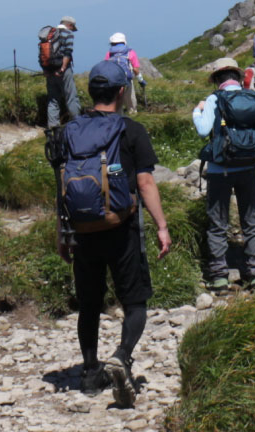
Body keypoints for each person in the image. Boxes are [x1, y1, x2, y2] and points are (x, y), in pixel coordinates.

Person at [58, 60, 171, 407]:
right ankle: (122, 356)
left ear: (91, 92)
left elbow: (61, 184)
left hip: (82, 229)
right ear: (122, 91)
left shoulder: (69, 130)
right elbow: (145, 182)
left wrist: (62, 233)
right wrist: (162, 226)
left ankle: (90, 375)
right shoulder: (131, 130)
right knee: (135, 301)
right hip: (121, 227)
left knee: (89, 303)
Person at [193, 58, 255, 290]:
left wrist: (197, 110)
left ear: (216, 80)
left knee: (218, 223)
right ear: (238, 78)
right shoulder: (253, 98)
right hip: (249, 167)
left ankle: (220, 277)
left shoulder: (214, 99)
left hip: (220, 170)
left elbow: (203, 131)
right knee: (251, 221)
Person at [43, 16, 81, 128]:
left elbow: (44, 54)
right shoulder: (68, 34)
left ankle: (52, 125)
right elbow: (67, 53)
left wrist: (45, 69)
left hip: (49, 69)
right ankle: (77, 122)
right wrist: (63, 68)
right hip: (63, 70)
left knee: (53, 98)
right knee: (71, 96)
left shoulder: (49, 34)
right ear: (70, 25)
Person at [104, 33, 144, 114]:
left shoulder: (109, 53)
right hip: (127, 80)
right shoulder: (130, 52)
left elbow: (106, 66)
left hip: (114, 81)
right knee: (130, 100)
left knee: (117, 102)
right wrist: (141, 80)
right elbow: (135, 69)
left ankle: (118, 118)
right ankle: (133, 114)